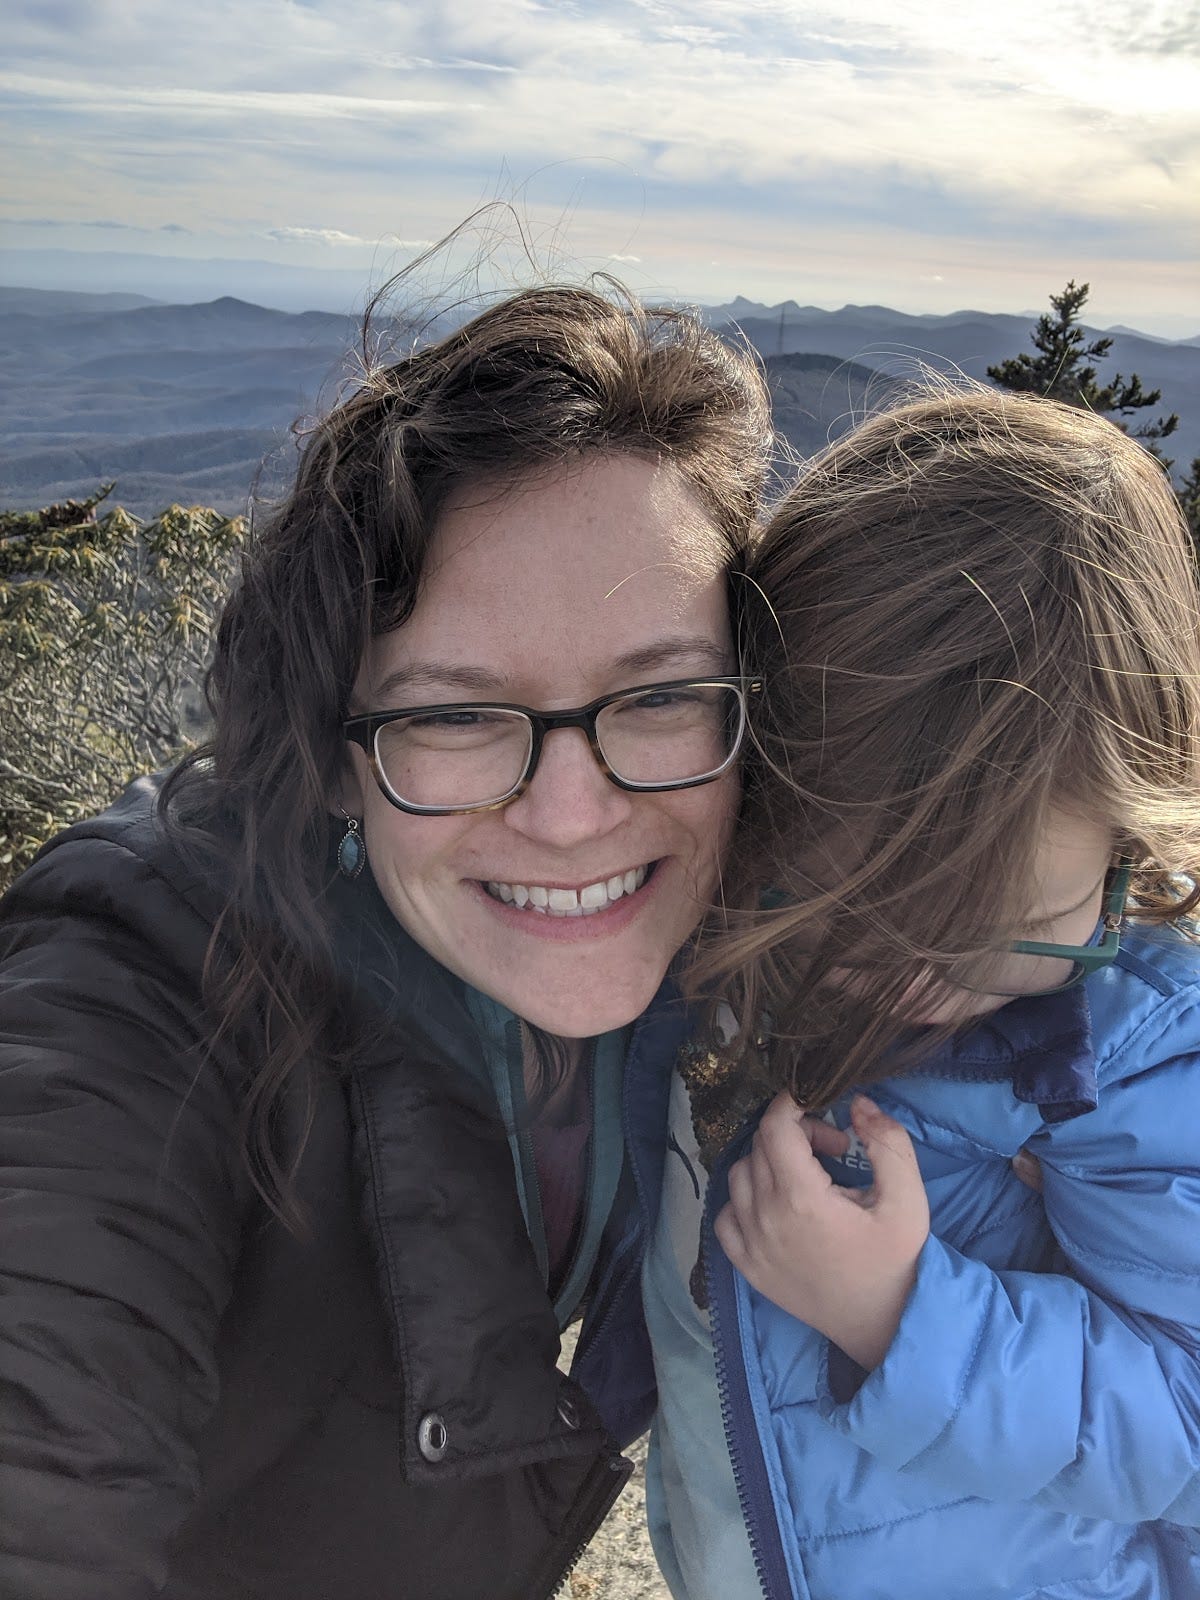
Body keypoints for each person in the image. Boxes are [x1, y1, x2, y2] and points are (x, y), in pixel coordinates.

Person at [0, 282, 774, 1600]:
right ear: (333, 758)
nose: (573, 815)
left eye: (657, 697)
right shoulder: (138, 985)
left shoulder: (752, 961)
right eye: (456, 717)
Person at [645, 385, 1200, 1599]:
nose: (917, 973)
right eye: (857, 904)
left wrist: (904, 1317)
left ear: (1126, 848)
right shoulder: (723, 935)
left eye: (998, 930)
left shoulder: (1135, 1059)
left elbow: (1188, 1419)